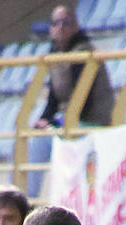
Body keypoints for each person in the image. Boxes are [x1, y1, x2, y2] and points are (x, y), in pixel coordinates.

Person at [26, 5, 115, 197]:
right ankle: (25, 197)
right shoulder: (56, 56)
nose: (60, 28)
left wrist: (57, 122)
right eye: (55, 23)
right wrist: (44, 120)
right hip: (68, 120)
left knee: (42, 143)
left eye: (66, 22)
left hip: (91, 122)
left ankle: (29, 198)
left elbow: (84, 100)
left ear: (76, 25)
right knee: (29, 139)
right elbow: (53, 99)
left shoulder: (84, 53)